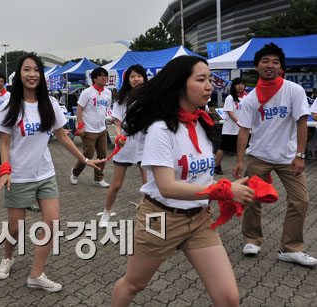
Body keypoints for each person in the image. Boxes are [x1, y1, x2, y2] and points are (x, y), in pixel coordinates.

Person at [111, 56, 255, 306]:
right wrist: (221, 191)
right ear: (179, 85)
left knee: (229, 298)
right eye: (201, 79)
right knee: (134, 284)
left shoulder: (201, 122)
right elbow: (167, 187)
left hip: (199, 219)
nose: (209, 85)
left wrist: (223, 191)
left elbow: (202, 175)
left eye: (210, 79)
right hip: (160, 219)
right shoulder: (160, 130)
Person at [0, 54, 104, 292]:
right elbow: (4, 143)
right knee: (15, 228)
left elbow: (62, 135)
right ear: (19, 74)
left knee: (52, 223)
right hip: (19, 176)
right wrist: (4, 170)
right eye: (26, 70)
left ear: (41, 75)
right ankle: (8, 257)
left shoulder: (50, 104)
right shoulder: (9, 105)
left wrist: (84, 159)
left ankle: (36, 274)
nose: (31, 74)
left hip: (45, 174)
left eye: (36, 70)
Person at [233, 43, 317, 266]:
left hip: (289, 158)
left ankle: (290, 248)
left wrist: (300, 155)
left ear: (281, 67)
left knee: (301, 201)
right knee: (251, 198)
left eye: (275, 62)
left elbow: (302, 122)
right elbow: (244, 130)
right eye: (265, 61)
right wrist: (240, 160)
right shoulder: (250, 98)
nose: (270, 65)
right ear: (256, 66)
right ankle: (252, 239)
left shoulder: (293, 90)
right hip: (259, 156)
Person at [98, 65, 148, 228]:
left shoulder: (151, 97)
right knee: (117, 184)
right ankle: (106, 213)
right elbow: (117, 123)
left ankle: (150, 215)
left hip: (146, 144)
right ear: (128, 79)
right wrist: (119, 136)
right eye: (132, 76)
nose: (136, 79)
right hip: (126, 144)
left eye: (139, 76)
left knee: (149, 185)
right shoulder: (121, 100)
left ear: (144, 78)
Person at [70, 67, 112, 188]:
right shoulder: (87, 92)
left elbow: (107, 109)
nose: (104, 78)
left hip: (102, 129)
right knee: (88, 155)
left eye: (106, 76)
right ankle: (75, 172)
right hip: (88, 130)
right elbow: (79, 109)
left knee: (103, 155)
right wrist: (80, 126)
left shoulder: (108, 93)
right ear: (94, 78)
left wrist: (111, 117)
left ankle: (98, 178)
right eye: (101, 76)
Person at [214, 78, 247, 175]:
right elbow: (230, 112)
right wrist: (239, 122)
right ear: (234, 86)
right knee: (223, 148)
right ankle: (217, 166)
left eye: (242, 84)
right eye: (238, 84)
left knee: (243, 148)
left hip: (244, 129)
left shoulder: (247, 97)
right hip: (230, 129)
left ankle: (239, 166)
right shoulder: (230, 98)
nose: (240, 86)